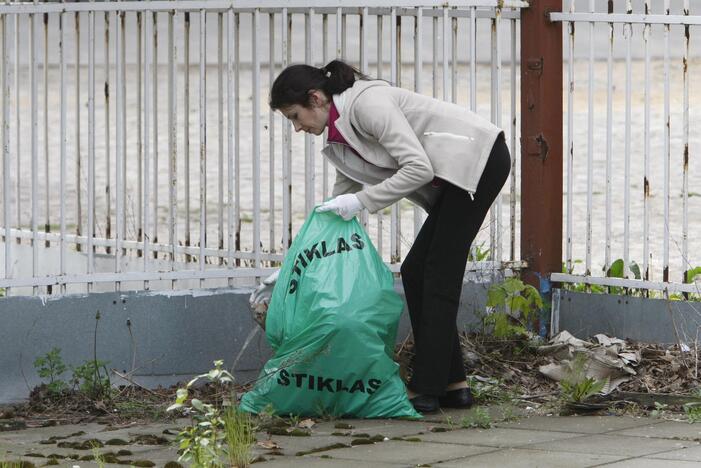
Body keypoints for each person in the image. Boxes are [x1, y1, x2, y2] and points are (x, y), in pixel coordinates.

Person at [249, 59, 511, 413]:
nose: (297, 128)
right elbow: (335, 209)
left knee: (437, 274)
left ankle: (428, 389)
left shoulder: (367, 104)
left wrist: (360, 201)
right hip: (454, 177)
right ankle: (454, 384)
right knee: (418, 271)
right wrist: (296, 264)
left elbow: (418, 167)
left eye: (295, 116)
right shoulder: (337, 139)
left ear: (315, 98)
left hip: (477, 161)